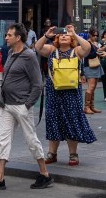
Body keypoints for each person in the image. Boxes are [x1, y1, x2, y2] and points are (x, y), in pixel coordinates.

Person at [0, 24, 53, 191]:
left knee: (31, 140)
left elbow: (38, 84)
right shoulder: (11, 53)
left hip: (21, 105)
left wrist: (27, 105)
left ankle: (45, 174)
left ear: (18, 38)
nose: (6, 37)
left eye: (9, 35)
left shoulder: (29, 56)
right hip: (6, 105)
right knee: (2, 140)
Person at [35, 25, 96, 162]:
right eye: (60, 35)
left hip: (72, 93)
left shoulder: (77, 51)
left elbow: (88, 47)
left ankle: (73, 154)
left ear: (71, 39)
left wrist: (74, 33)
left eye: (66, 35)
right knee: (53, 120)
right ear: (56, 38)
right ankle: (52, 153)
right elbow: (38, 47)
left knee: (72, 121)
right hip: (54, 92)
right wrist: (46, 35)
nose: (63, 36)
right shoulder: (52, 50)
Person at [82, 29, 106, 113]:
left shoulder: (95, 43)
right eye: (93, 35)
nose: (95, 37)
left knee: (94, 87)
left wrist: (100, 52)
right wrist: (98, 51)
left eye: (96, 35)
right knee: (91, 86)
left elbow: (95, 54)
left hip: (96, 65)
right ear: (90, 34)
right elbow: (88, 55)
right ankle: (86, 107)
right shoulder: (87, 43)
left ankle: (91, 106)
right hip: (89, 66)